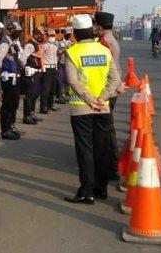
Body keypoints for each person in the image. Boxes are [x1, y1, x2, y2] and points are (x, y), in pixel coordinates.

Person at [63, 14, 121, 205]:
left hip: (81, 108)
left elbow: (72, 81)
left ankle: (86, 191)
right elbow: (115, 79)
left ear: (76, 33)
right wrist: (101, 99)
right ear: (91, 30)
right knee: (101, 149)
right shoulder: (104, 50)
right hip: (102, 108)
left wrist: (88, 99)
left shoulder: (72, 52)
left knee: (85, 150)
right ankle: (101, 188)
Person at [94, 11, 125, 181]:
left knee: (105, 130)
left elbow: (106, 69)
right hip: (112, 89)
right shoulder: (110, 40)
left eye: (95, 25)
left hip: (107, 90)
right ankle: (111, 164)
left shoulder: (104, 42)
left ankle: (111, 167)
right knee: (107, 128)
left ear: (99, 26)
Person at [0, 43, 22, 140]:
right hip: (7, 77)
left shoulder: (14, 44)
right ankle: (5, 130)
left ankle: (11, 126)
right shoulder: (5, 43)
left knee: (14, 104)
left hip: (14, 77)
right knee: (7, 104)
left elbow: (17, 59)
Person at [21, 29, 43, 124]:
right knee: (30, 94)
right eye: (38, 34)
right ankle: (27, 115)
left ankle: (31, 112)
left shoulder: (36, 44)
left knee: (35, 93)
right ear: (34, 34)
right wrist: (24, 69)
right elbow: (24, 58)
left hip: (36, 71)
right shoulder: (30, 44)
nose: (40, 36)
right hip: (31, 71)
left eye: (41, 34)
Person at [40, 29, 59, 114]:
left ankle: (50, 105)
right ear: (47, 36)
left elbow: (57, 55)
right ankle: (43, 106)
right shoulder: (44, 46)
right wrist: (42, 67)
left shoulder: (56, 45)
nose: (52, 37)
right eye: (50, 36)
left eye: (53, 35)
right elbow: (41, 56)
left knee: (53, 88)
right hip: (47, 67)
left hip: (54, 67)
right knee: (45, 88)